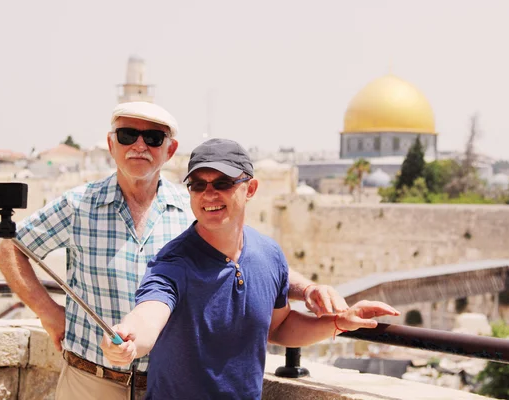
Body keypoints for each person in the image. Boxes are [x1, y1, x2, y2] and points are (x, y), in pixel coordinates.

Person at [0, 102, 349, 400]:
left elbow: (249, 259)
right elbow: (9, 249)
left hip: (170, 386)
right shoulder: (78, 205)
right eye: (127, 135)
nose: (139, 146)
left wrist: (308, 290)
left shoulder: (195, 208)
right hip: (93, 380)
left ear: (170, 149)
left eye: (153, 137)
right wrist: (48, 311)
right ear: (111, 143)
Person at [101, 138, 400, 399]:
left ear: (251, 188)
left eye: (222, 184)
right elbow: (149, 313)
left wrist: (340, 322)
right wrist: (129, 338)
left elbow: (279, 327)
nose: (209, 194)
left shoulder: (268, 254)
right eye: (198, 185)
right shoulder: (173, 262)